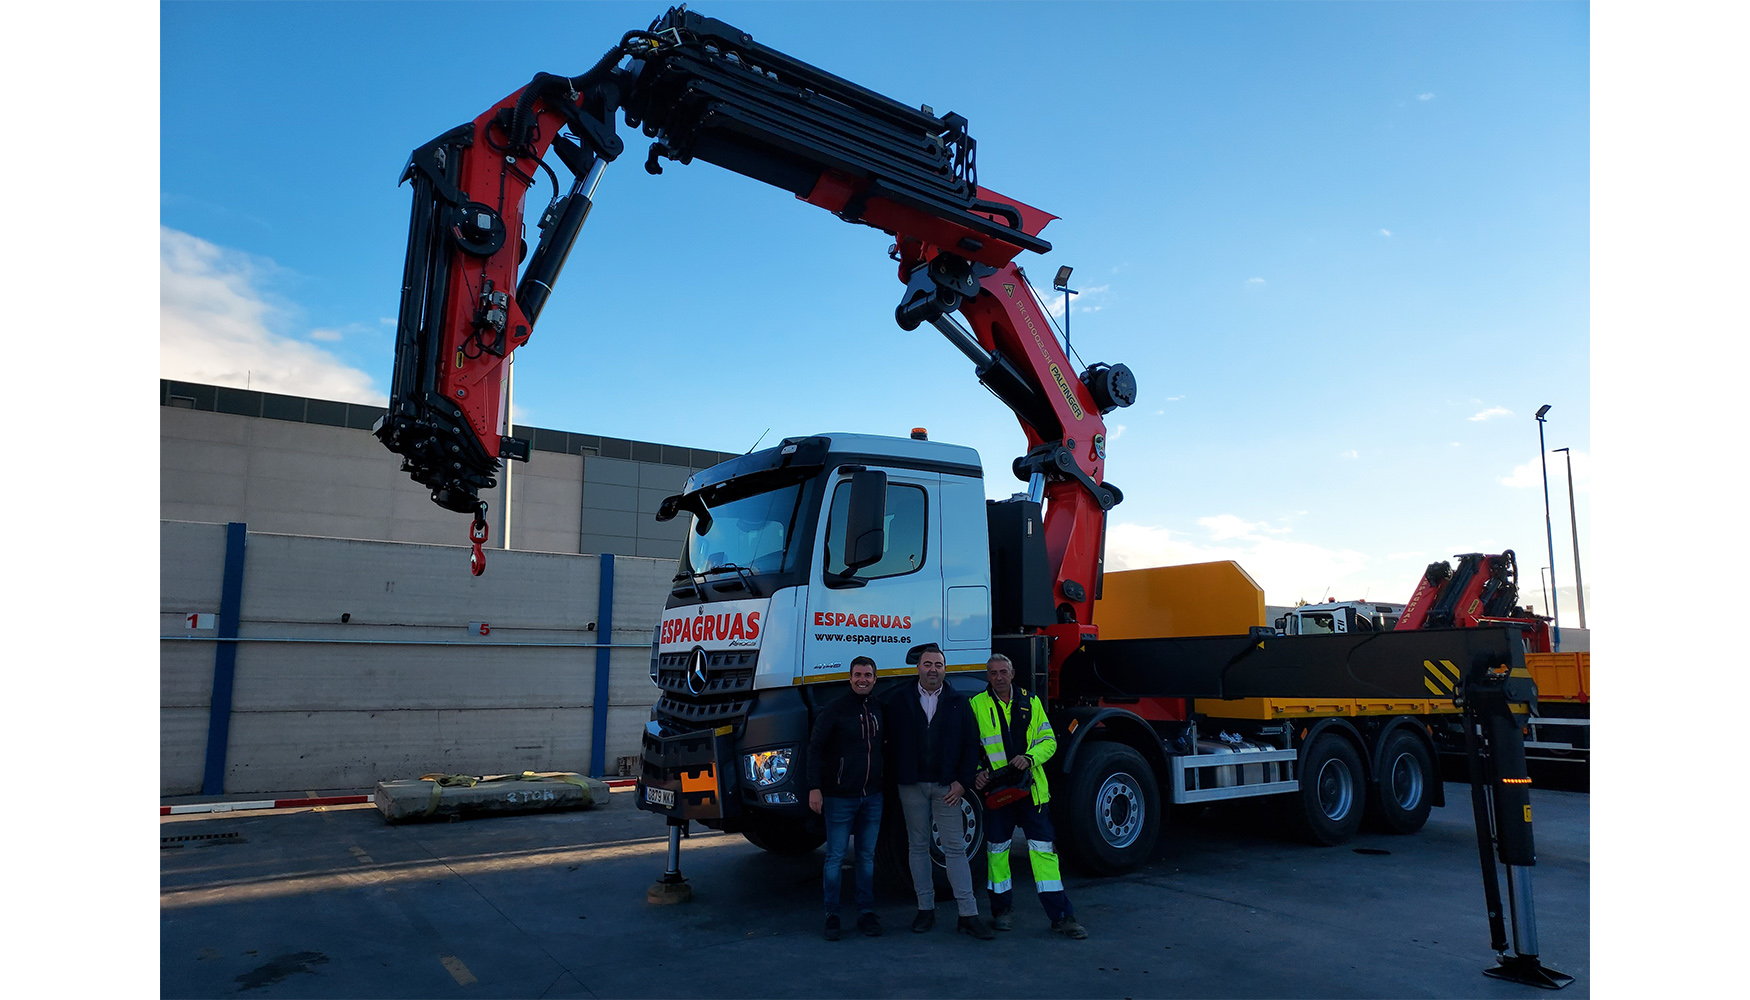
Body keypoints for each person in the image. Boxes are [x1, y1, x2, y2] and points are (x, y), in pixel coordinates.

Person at [970, 653, 1087, 939]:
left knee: (1043, 853)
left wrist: (1029, 758)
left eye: (1003, 671)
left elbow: (1049, 742)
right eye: (993, 672)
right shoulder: (976, 705)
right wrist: (976, 773)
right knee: (997, 853)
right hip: (997, 793)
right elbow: (969, 747)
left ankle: (1062, 916)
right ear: (988, 676)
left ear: (1012, 673)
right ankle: (1001, 912)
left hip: (1030, 790)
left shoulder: (1031, 702)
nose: (998, 677)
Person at [883, 643, 993, 939]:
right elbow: (888, 743)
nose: (933, 670)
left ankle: (968, 915)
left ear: (946, 669)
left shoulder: (959, 702)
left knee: (955, 849)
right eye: (928, 664)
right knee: (917, 847)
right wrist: (898, 776)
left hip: (948, 787)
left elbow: (972, 745)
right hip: (912, 786)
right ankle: (925, 909)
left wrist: (962, 782)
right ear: (918, 667)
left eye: (939, 665)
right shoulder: (898, 700)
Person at [806, 655, 886, 941]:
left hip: (872, 797)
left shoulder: (878, 708)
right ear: (849, 678)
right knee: (835, 857)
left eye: (868, 675)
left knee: (866, 858)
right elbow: (815, 749)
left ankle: (866, 913)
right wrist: (814, 788)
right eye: (857, 675)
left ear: (875, 679)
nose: (862, 679)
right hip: (839, 797)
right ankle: (832, 915)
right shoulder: (834, 710)